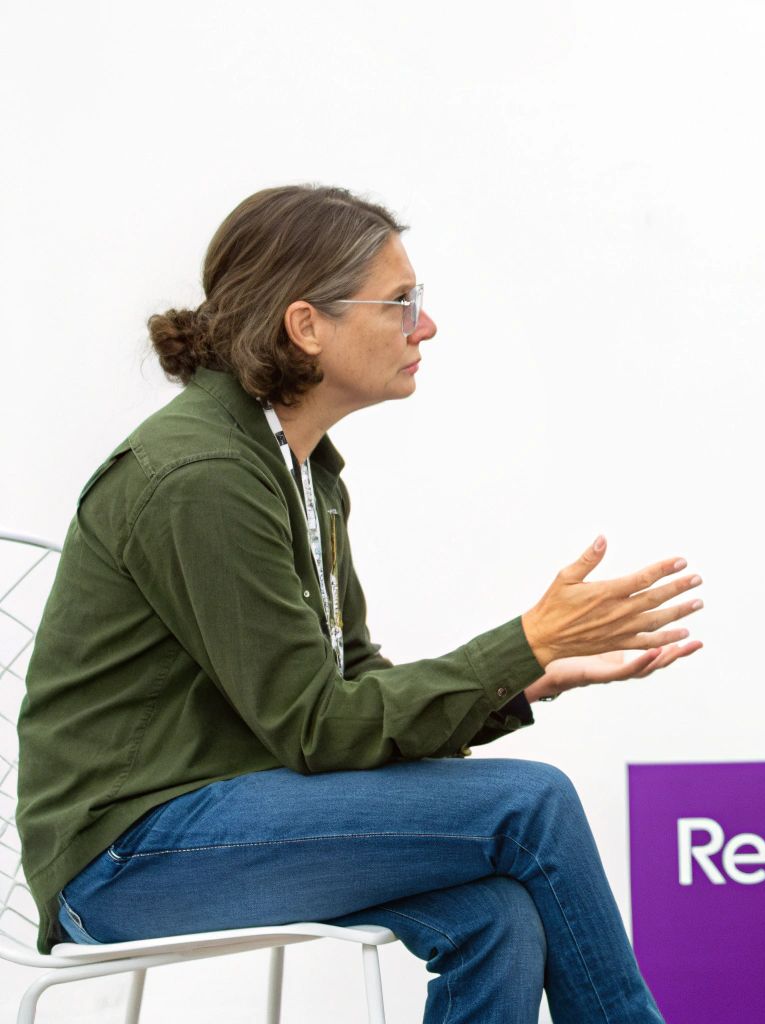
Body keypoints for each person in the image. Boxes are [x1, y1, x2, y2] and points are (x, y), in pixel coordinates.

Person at [19, 184, 703, 1024]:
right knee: (534, 802)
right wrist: (519, 642)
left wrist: (530, 676)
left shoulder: (303, 469)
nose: (426, 326)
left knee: (496, 915)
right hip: (128, 856)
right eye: (401, 302)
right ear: (306, 326)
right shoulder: (202, 476)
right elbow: (320, 730)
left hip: (223, 814)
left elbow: (356, 689)